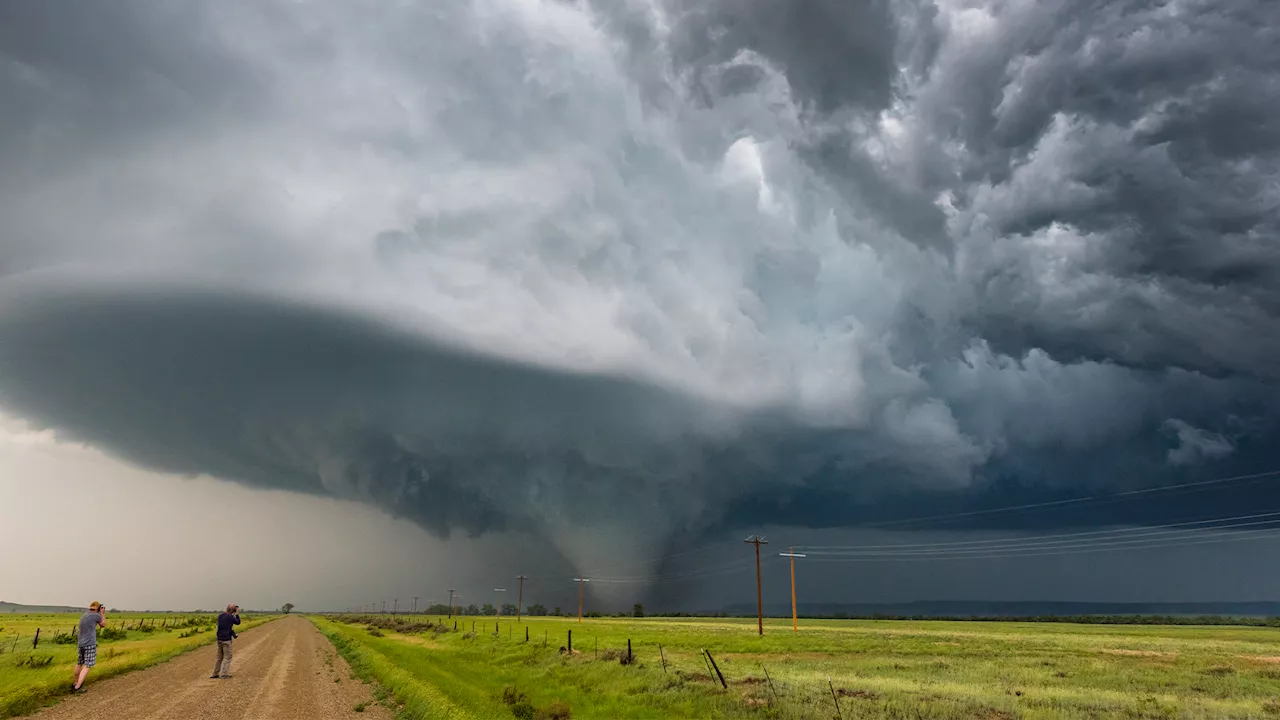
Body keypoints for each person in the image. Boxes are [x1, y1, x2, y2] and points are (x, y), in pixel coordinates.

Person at [72, 601, 106, 692]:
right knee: (87, 665)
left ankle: (75, 682)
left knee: (79, 663)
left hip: (81, 643)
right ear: (98, 609)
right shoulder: (96, 616)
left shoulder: (85, 615)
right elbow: (103, 625)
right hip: (89, 643)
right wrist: (102, 614)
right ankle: (78, 686)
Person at [211, 604, 240, 678]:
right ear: (233, 610)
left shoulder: (220, 615)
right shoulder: (231, 617)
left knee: (219, 657)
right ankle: (224, 674)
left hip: (219, 639)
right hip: (226, 639)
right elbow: (238, 622)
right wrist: (236, 614)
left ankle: (215, 674)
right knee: (227, 657)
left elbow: (225, 626)